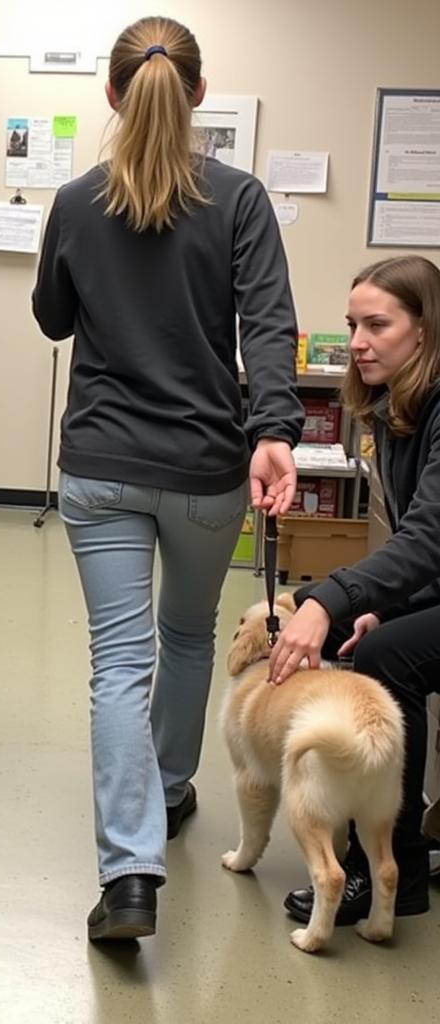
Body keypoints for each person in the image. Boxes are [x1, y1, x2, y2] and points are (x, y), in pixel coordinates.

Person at [31, 15, 303, 941]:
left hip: (102, 464)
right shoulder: (240, 199)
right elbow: (268, 327)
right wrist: (273, 432)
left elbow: (52, 319)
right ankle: (172, 787)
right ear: (197, 94)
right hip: (204, 467)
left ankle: (130, 872)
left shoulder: (74, 201)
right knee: (187, 637)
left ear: (111, 94)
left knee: (119, 660)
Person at [267, 254, 440, 927]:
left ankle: (391, 865)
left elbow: (427, 540)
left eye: (377, 324)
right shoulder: (394, 405)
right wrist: (369, 604)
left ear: (423, 330)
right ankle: (344, 810)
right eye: (351, 324)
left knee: (385, 656)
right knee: (346, 629)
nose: (358, 341)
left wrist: (336, 599)